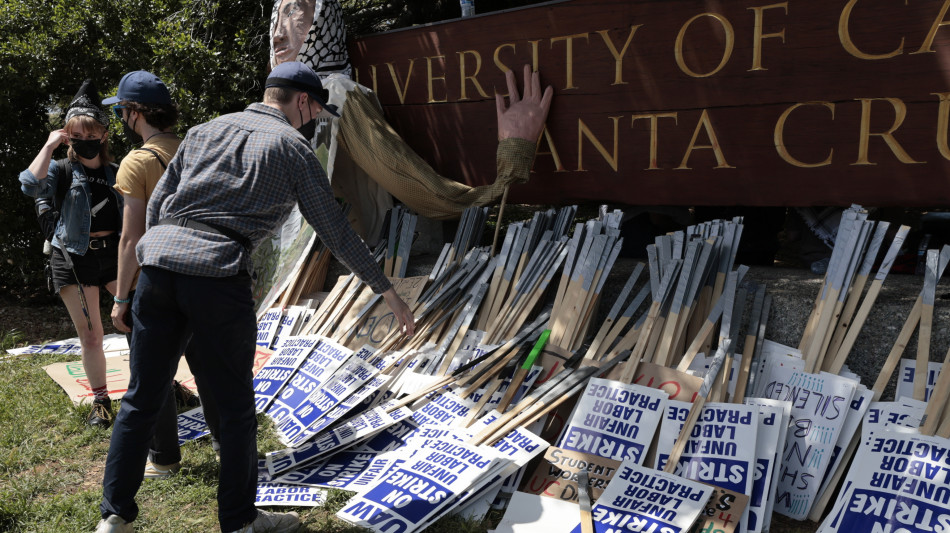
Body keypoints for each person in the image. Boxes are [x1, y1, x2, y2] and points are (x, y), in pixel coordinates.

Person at [95, 61, 415, 533]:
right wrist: (386, 289)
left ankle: (114, 517)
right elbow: (334, 229)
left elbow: (159, 203)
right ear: (301, 101)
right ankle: (241, 522)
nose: (313, 123)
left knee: (142, 397)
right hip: (218, 276)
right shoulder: (292, 147)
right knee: (236, 407)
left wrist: (164, 252)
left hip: (159, 270)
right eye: (314, 113)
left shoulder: (204, 131)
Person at [269, 0, 554, 243]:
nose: (278, 34)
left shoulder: (337, 96)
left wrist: (513, 155)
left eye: (294, 14)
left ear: (322, 21)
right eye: (277, 17)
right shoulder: (274, 106)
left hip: (343, 271)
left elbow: (421, 189)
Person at [103, 70, 213, 479]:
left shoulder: (137, 162)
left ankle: (164, 457)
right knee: (209, 367)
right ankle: (225, 446)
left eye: (122, 111)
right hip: (203, 272)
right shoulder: (194, 148)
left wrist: (120, 298)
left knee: (152, 374)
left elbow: (131, 237)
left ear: (134, 113)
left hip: (157, 279)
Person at [19, 80, 123, 428]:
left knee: (142, 321)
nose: (86, 142)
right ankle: (100, 401)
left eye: (92, 135)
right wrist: (50, 144)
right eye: (77, 135)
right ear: (68, 136)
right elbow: (29, 184)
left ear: (104, 136)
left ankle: (162, 384)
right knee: (92, 333)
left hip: (114, 255)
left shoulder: (115, 172)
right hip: (74, 258)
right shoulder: (61, 169)